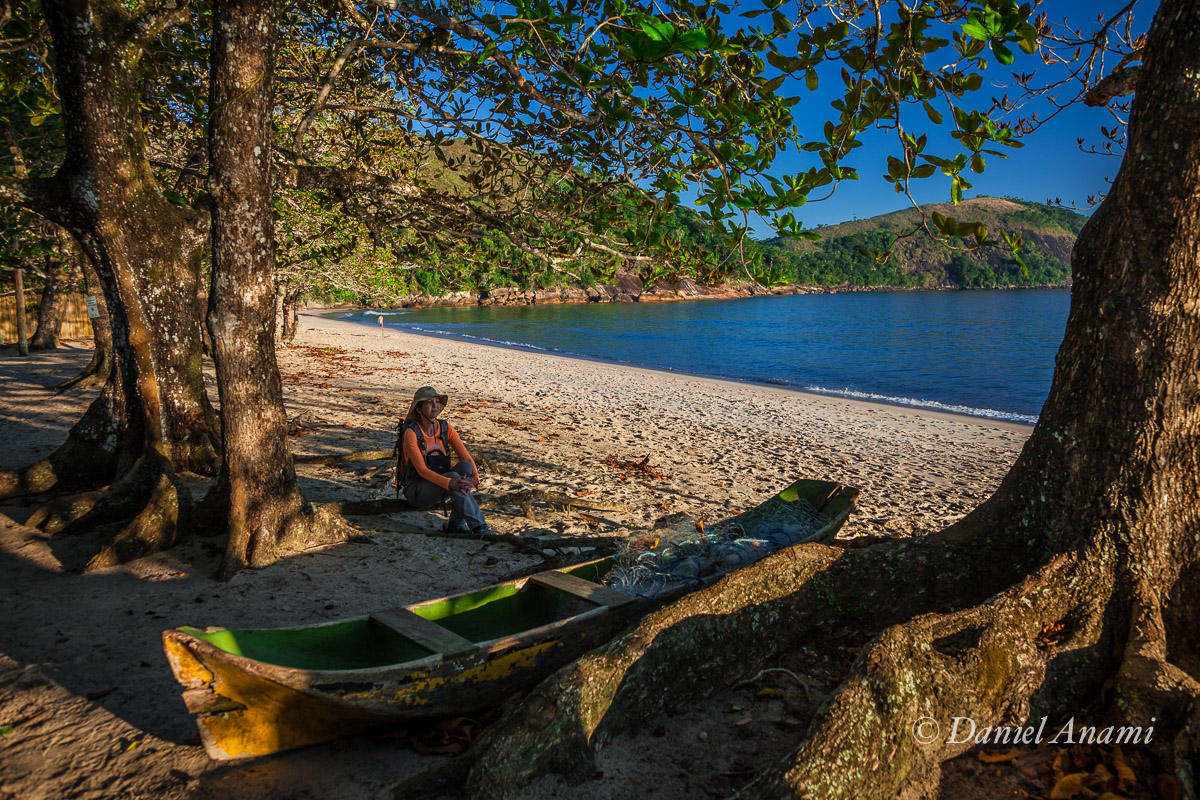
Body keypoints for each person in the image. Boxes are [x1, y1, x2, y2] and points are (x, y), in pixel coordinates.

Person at [397, 386, 490, 534]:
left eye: (436, 401)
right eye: (429, 402)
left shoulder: (446, 428)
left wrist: (475, 478)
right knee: (455, 477)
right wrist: (449, 482)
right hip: (417, 490)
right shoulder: (411, 433)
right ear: (419, 409)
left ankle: (456, 524)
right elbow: (421, 470)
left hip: (443, 485)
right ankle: (480, 528)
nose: (435, 405)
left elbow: (466, 457)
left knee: (465, 467)